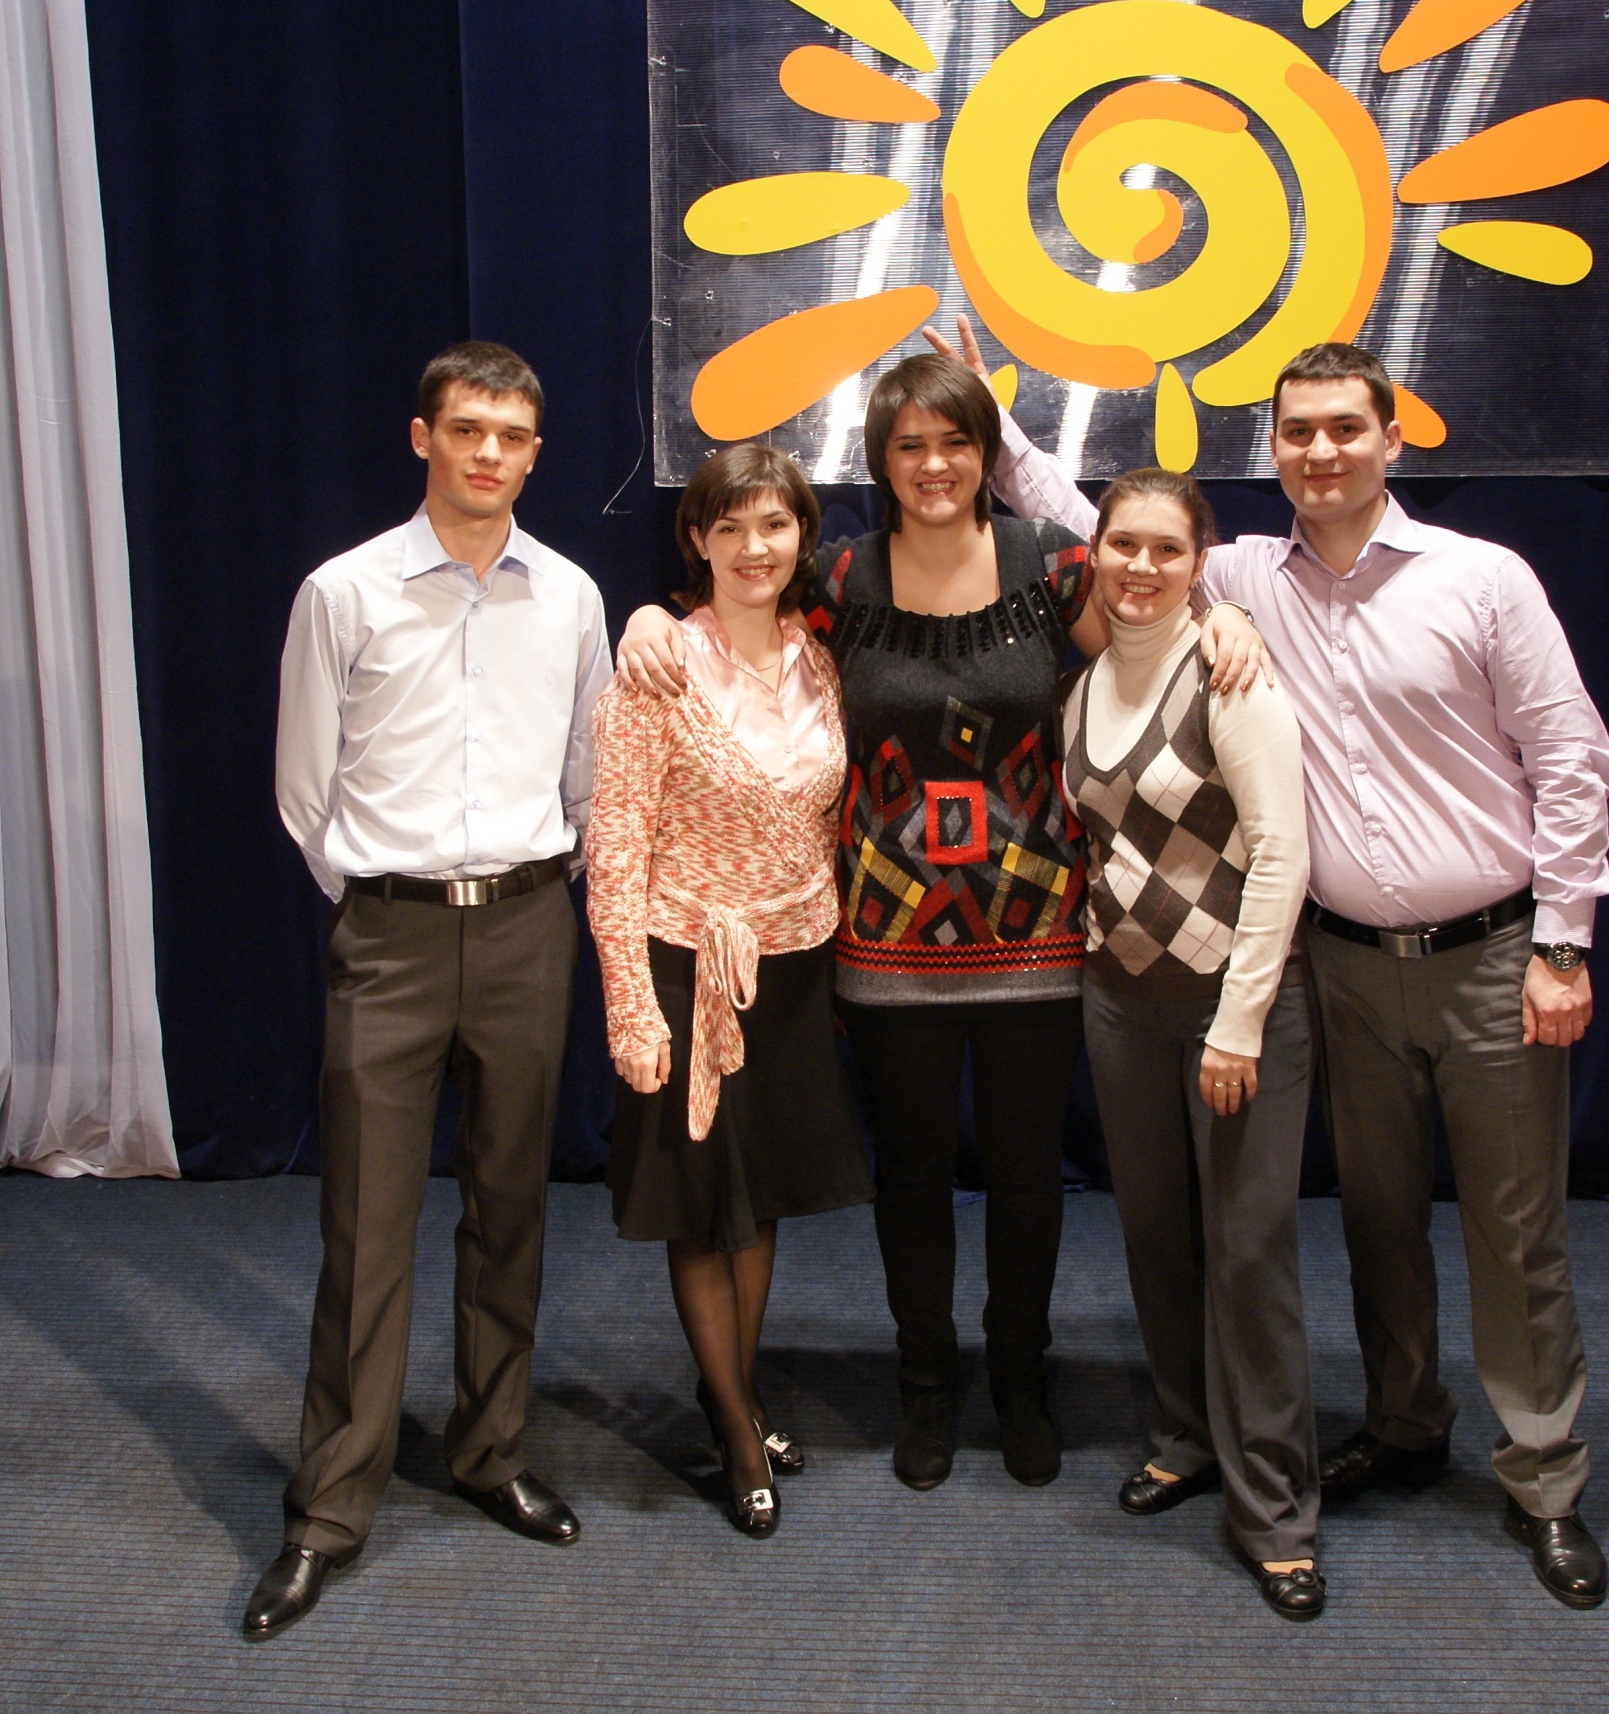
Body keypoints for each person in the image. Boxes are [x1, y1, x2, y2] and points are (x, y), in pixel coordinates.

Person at [950, 319, 1609, 1610]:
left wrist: (1562, 941)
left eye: (1344, 428)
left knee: (1514, 1231)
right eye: (1298, 431)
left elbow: (1571, 756)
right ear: (1273, 446)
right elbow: (1103, 529)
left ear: (1391, 437)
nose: (1320, 451)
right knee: (1377, 1221)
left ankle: (1545, 1479)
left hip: (1490, 956)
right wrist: (999, 425)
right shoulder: (1244, 577)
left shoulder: (1482, 579)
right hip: (1342, 964)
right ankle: (1406, 1423)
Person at [615, 355, 1269, 1492]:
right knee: (913, 1178)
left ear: (985, 453)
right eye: (909, 446)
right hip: (884, 950)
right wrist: (643, 617)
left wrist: (1230, 620)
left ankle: (1019, 1377)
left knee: (1025, 1177)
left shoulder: (1050, 565)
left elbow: (1150, 611)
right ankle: (926, 1382)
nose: (933, 465)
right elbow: (732, 622)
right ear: (880, 460)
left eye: (955, 442)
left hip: (1037, 941)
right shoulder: (838, 578)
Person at [247, 341, 613, 1639]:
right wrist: (382, 898)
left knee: (511, 1206)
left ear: (534, 452)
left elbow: (589, 775)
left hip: (527, 928)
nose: (488, 454)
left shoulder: (570, 597)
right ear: (423, 438)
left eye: (511, 435)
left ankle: (489, 1450)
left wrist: (536, 892)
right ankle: (329, 1506)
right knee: (367, 1225)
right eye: (467, 429)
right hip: (391, 939)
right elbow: (305, 789)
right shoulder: (343, 591)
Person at [585, 444, 873, 1537]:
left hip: (793, 970)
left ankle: (737, 1395)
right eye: (731, 526)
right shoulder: (658, 670)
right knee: (703, 1206)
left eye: (775, 524)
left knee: (761, 1197)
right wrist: (630, 1002)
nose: (755, 547)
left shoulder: (819, 660)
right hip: (683, 962)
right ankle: (739, 1433)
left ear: (803, 537)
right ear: (697, 541)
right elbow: (615, 847)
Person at [1061, 467, 1322, 1621]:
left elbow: (1282, 856)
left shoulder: (1229, 675)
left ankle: (1276, 1511)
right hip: (1122, 1006)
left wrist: (1239, 1023)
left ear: (1198, 562)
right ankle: (1184, 1435)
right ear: (1096, 551)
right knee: (1157, 1236)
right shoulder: (1082, 690)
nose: (1141, 566)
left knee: (1247, 1256)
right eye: (1123, 543)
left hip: (1234, 1015)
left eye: (1166, 549)